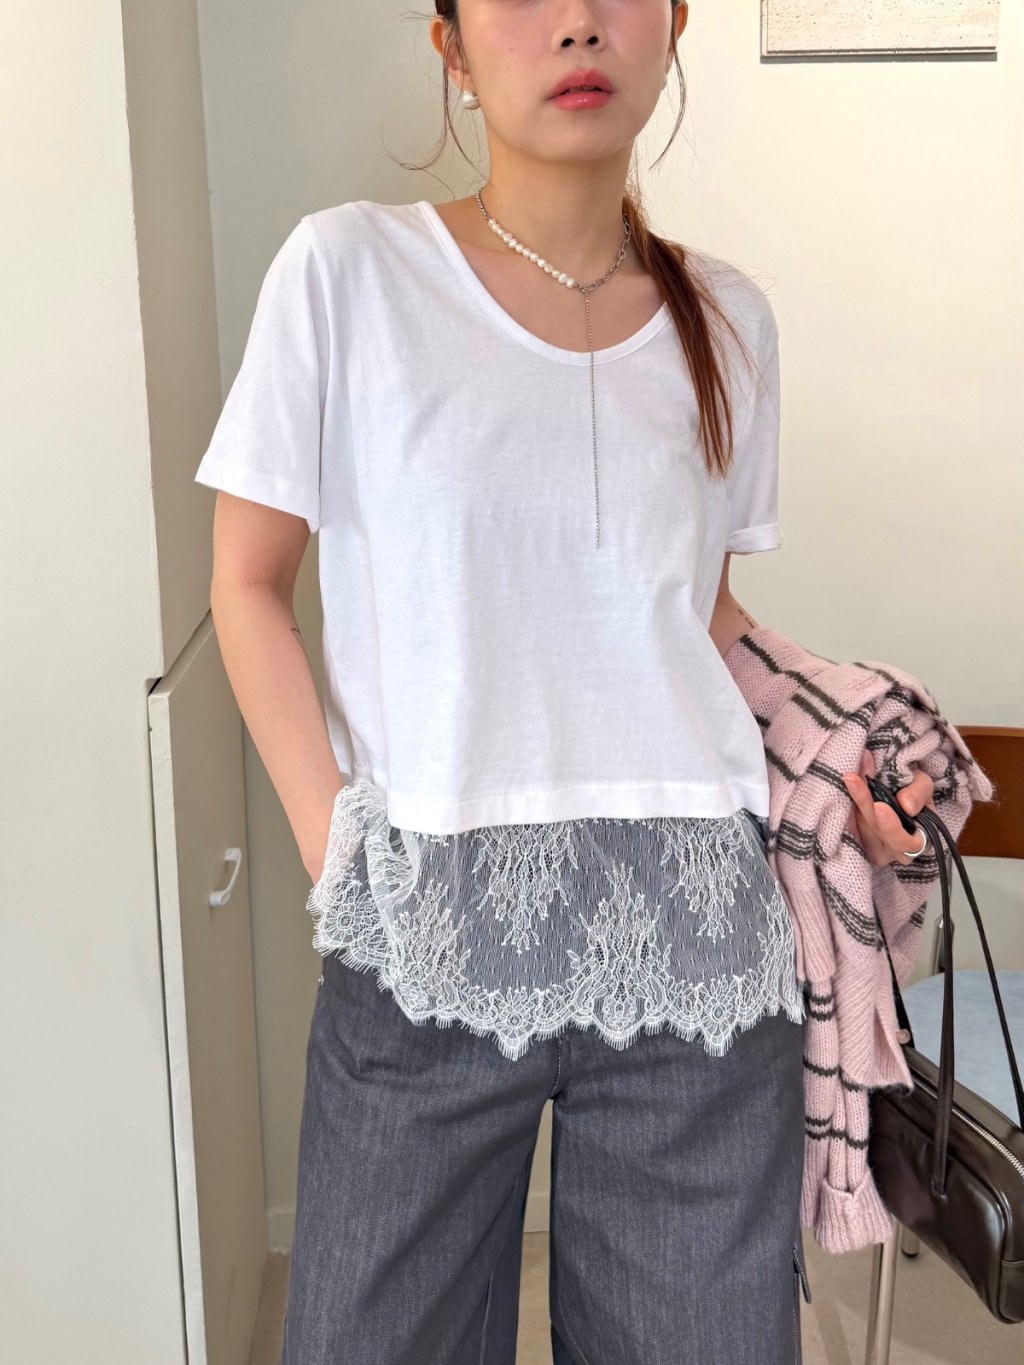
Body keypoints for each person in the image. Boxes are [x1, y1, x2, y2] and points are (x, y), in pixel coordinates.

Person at [195, 3, 933, 1361]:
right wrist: (337, 847)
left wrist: (841, 768)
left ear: (675, 25)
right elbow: (247, 582)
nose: (580, 22)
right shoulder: (348, 273)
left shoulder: (731, 317)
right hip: (426, 938)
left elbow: (692, 617)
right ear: (451, 45)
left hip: (698, 947)